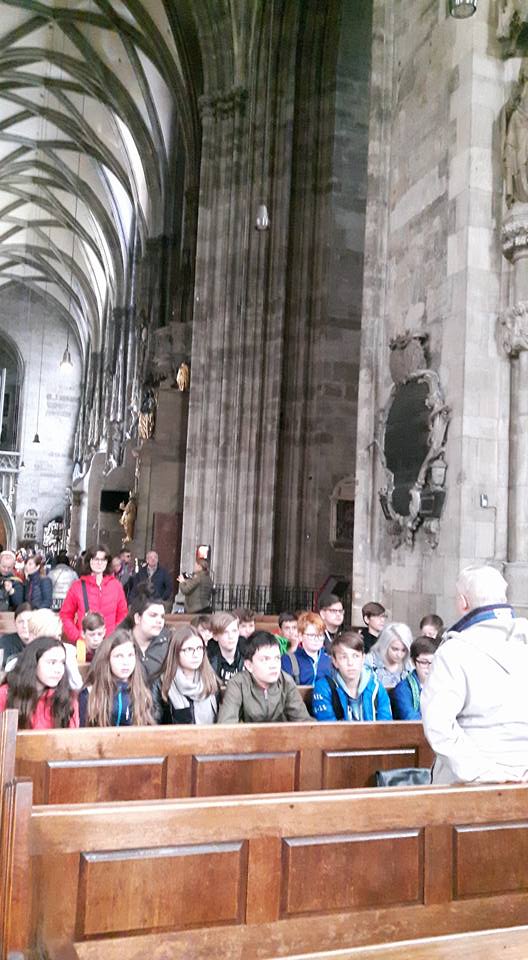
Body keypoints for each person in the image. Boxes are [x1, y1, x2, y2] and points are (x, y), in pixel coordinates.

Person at [421, 564, 528, 785]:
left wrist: (484, 772)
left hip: (472, 784)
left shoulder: (453, 652)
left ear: (463, 603)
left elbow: (438, 726)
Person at [217, 631, 310, 723]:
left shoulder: (286, 682)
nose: (274, 665)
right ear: (249, 665)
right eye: (265, 659)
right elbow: (227, 724)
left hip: (281, 733)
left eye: (277, 658)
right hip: (248, 733)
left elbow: (304, 722)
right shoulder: (238, 684)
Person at [79, 629, 154, 727]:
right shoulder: (90, 693)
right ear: (108, 659)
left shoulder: (143, 693)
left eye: (130, 655)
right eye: (119, 656)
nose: (126, 662)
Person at [0, 636, 79, 729]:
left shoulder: (67, 698)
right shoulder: (6, 694)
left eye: (62, 663)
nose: (59, 670)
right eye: (52, 662)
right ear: (34, 663)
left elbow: (72, 736)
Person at [312, 632, 392, 722]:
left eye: (356, 656)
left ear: (363, 658)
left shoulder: (376, 687)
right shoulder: (324, 688)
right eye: (344, 657)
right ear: (335, 661)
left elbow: (385, 725)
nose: (350, 663)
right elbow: (328, 726)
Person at [60, 545, 128, 645]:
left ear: (107, 562)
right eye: (96, 559)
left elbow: (123, 615)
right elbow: (65, 615)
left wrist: (114, 637)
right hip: (85, 645)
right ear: (89, 561)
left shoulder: (116, 586)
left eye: (103, 559)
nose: (99, 563)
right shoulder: (77, 587)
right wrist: (78, 637)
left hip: (109, 645)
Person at [152, 625, 220, 724]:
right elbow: (154, 724)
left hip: (210, 733)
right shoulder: (161, 684)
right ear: (176, 652)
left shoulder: (211, 680)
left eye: (199, 648)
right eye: (189, 649)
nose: (196, 655)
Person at [124, 592, 169, 683]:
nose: (159, 621)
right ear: (137, 618)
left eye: (162, 617)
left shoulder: (169, 644)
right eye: (153, 615)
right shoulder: (118, 644)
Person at [391, 636, 437, 720]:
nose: (430, 667)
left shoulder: (443, 685)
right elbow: (411, 719)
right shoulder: (403, 689)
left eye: (434, 662)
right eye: (424, 662)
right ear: (413, 662)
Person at [281, 611, 332, 685]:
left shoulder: (329, 659)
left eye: (320, 635)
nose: (316, 639)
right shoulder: (288, 660)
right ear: (300, 636)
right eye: (311, 635)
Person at [366, 622, 412, 689]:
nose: (399, 655)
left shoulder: (409, 666)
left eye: (403, 650)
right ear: (385, 645)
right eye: (395, 649)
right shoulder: (370, 662)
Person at [207, 612, 244, 682]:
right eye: (225, 632)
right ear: (215, 636)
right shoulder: (208, 660)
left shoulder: (249, 656)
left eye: (234, 631)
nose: (231, 636)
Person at [0, 602, 32, 669]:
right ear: (15, 623)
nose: (25, 626)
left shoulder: (42, 643)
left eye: (29, 621)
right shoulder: (5, 642)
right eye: (21, 621)